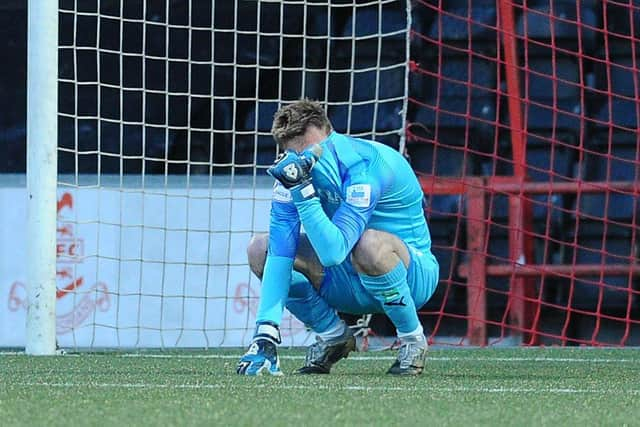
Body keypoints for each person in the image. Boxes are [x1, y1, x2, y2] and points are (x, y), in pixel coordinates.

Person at [236, 99, 439, 376]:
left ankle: (412, 340)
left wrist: (303, 192)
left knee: (367, 244)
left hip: (410, 275)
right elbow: (281, 250)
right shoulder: (293, 173)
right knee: (260, 248)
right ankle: (333, 336)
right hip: (343, 279)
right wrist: (265, 333)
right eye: (294, 152)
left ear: (326, 130)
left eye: (309, 148)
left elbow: (335, 251)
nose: (305, 158)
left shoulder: (365, 166)